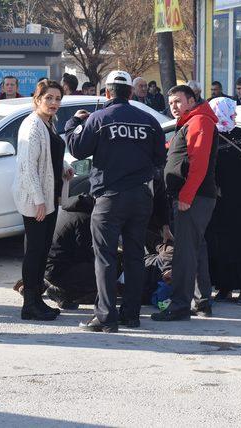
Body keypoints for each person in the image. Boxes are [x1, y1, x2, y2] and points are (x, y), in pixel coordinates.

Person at [64, 70, 166, 333]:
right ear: (131, 93)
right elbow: (159, 159)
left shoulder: (98, 119)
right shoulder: (148, 120)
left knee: (106, 258)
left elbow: (77, 149)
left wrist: (73, 123)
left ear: (107, 93)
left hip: (109, 199)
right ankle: (131, 315)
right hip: (141, 197)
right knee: (135, 257)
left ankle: (106, 317)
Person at [151, 85, 218, 322]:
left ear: (191, 100)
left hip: (193, 198)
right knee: (196, 250)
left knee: (185, 253)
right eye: (171, 103)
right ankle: (201, 302)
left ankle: (179, 305)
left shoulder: (199, 121)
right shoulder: (193, 121)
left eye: (178, 101)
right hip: (195, 197)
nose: (174, 106)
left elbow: (198, 163)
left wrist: (186, 197)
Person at [12, 79, 71, 321]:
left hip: (49, 197)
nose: (54, 103)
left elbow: (49, 157)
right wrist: (38, 200)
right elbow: (28, 167)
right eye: (49, 98)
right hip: (36, 200)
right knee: (35, 252)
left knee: (42, 250)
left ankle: (37, 300)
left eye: (57, 98)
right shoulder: (33, 126)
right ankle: (30, 304)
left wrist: (65, 166)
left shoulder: (49, 123)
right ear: (37, 99)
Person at [205, 97, 241, 305]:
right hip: (220, 200)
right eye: (231, 112)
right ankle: (225, 287)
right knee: (222, 243)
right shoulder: (210, 135)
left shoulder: (238, 133)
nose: (235, 115)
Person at [44, 193, 97, 310]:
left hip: (47, 265)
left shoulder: (66, 211)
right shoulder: (85, 219)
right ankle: (62, 292)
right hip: (58, 269)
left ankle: (46, 283)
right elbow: (83, 253)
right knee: (103, 270)